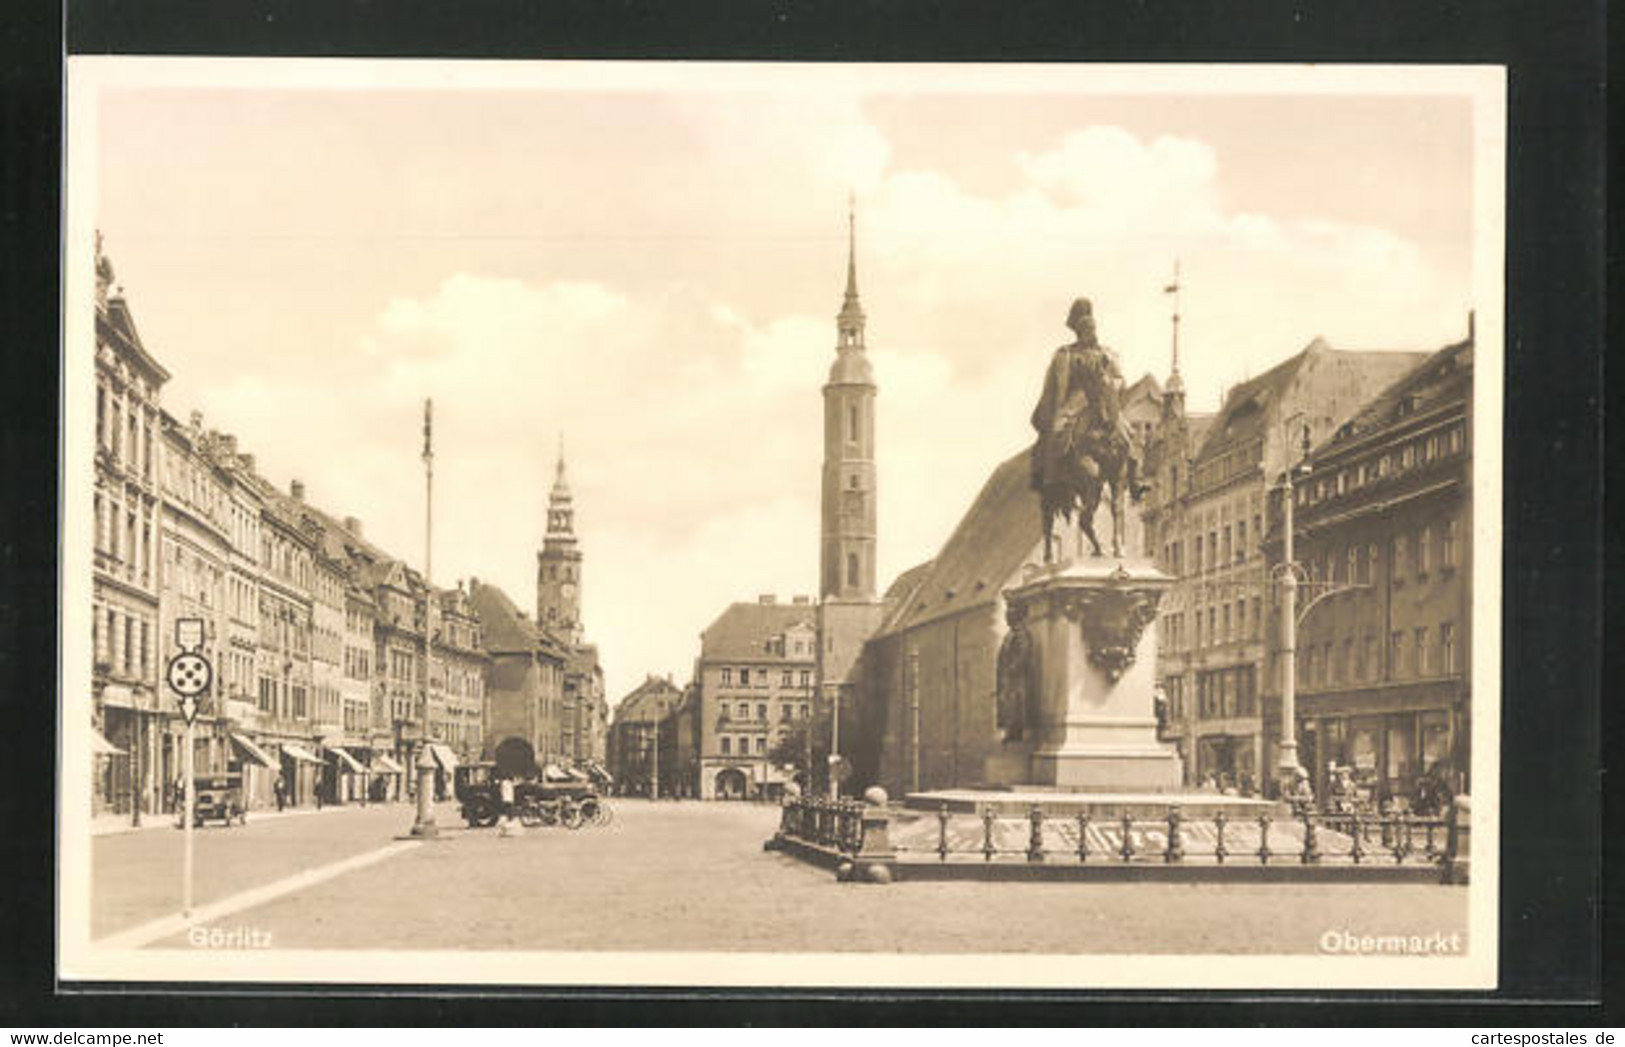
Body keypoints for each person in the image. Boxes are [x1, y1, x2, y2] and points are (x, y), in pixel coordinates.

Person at [1029, 298, 1149, 502]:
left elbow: (1121, 380)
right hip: (1074, 405)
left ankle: (1134, 480)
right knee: (1057, 432)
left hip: (1105, 402)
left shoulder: (1107, 354)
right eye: (1085, 327)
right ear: (1077, 330)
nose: (1091, 331)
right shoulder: (1065, 355)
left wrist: (1112, 384)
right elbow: (1055, 387)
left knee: (1128, 433)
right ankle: (1051, 476)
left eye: (1092, 327)